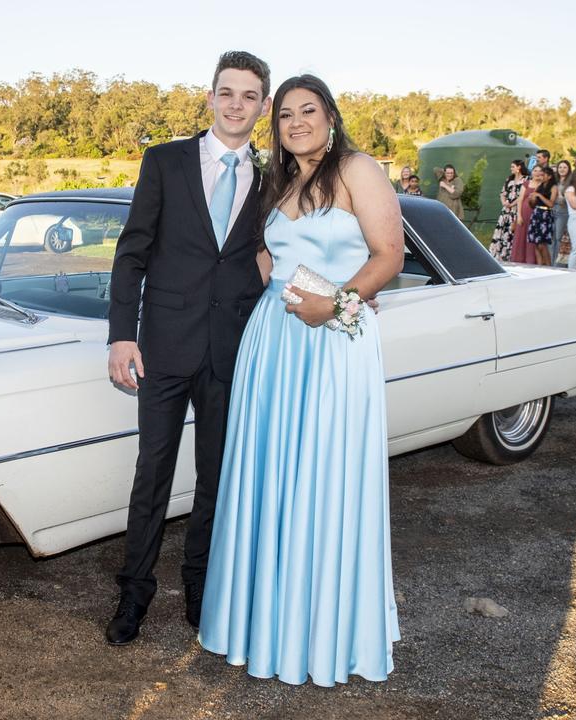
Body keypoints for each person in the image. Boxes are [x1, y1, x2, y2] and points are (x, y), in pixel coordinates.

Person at [199, 73, 403, 687]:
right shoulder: (278, 181)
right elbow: (269, 261)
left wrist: (337, 306)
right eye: (284, 113)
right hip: (274, 343)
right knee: (271, 479)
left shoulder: (358, 170)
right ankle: (265, 624)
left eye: (307, 110)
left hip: (334, 341)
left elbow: (388, 255)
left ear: (331, 117)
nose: (295, 122)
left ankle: (320, 634)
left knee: (325, 476)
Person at [105, 51, 272, 646]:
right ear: (210, 98)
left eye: (249, 96)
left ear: (263, 106)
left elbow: (281, 254)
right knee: (151, 473)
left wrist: (351, 291)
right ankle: (133, 597)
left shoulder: (272, 178)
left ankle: (201, 593)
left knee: (216, 479)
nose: (236, 105)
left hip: (233, 350)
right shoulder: (165, 161)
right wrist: (122, 334)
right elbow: (132, 254)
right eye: (226, 93)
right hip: (162, 348)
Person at [489, 159, 528, 262]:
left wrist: (512, 204)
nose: (511, 169)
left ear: (519, 167)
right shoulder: (509, 179)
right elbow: (502, 193)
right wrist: (504, 203)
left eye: (513, 166)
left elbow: (522, 196)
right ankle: (498, 254)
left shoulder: (526, 180)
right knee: (502, 231)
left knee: (512, 231)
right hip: (506, 210)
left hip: (516, 209)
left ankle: (511, 255)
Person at [526, 165, 556, 266]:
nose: (541, 177)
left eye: (543, 175)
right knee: (536, 243)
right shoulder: (539, 186)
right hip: (536, 214)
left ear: (550, 176)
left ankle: (548, 265)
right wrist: (532, 199)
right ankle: (539, 265)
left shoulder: (553, 187)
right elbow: (532, 205)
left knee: (542, 244)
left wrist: (539, 196)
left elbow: (551, 204)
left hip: (546, 215)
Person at [511, 165, 539, 264]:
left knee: (532, 239)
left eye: (539, 171)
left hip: (535, 214)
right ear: (532, 172)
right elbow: (520, 200)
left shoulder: (543, 185)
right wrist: (519, 215)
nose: (537, 173)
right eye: (535, 170)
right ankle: (518, 260)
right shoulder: (526, 184)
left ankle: (531, 260)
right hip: (523, 214)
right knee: (520, 237)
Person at [551, 160, 572, 265]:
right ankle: (550, 261)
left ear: (568, 169)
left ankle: (557, 263)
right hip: (553, 211)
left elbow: (567, 199)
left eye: (565, 167)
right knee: (552, 238)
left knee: (558, 238)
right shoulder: (555, 181)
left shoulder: (571, 182)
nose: (562, 169)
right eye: (560, 167)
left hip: (563, 212)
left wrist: (561, 197)